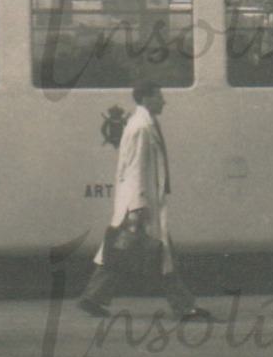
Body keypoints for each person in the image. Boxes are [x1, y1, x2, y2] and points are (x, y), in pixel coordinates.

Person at [78, 81, 211, 321]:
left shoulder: (143, 124)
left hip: (140, 203)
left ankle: (93, 297)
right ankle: (183, 307)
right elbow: (136, 168)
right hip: (141, 204)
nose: (163, 101)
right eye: (159, 96)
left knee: (125, 251)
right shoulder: (141, 127)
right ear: (147, 98)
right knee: (154, 253)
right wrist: (138, 207)